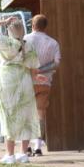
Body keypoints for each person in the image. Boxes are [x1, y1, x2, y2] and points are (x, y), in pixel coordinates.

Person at [0, 16, 40, 164]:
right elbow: (34, 70)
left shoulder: (6, 42)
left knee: (8, 115)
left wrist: (3, 21)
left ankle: (9, 154)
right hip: (25, 81)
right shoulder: (29, 45)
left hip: (8, 81)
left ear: (9, 30)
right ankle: (23, 154)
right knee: (26, 116)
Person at [23, 14, 61, 155]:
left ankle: (26, 147)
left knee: (26, 113)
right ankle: (38, 147)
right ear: (45, 26)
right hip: (45, 82)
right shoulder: (53, 43)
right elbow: (56, 63)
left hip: (27, 81)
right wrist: (41, 70)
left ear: (33, 25)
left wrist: (33, 70)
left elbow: (20, 59)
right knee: (40, 113)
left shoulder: (25, 39)